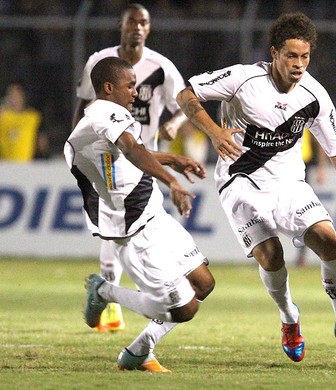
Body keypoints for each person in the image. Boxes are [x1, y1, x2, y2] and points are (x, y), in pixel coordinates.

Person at [176, 12, 336, 362]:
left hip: (289, 184)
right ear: (274, 53)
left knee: (330, 243)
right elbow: (186, 95)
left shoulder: (314, 95)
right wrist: (214, 131)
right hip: (240, 183)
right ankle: (289, 318)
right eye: (291, 55)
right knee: (272, 256)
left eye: (305, 57)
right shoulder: (243, 79)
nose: (299, 64)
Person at [65, 56, 214, 372]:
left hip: (153, 212)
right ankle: (103, 290)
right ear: (109, 88)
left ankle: (137, 353)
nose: (136, 92)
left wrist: (172, 160)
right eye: (130, 86)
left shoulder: (103, 118)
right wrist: (171, 180)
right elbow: (132, 148)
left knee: (202, 283)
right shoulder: (105, 115)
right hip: (133, 228)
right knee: (183, 308)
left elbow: (127, 153)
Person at [72, 3, 192, 332]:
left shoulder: (162, 68)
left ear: (149, 29)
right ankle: (117, 299)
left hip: (146, 156)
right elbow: (84, 105)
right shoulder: (100, 62)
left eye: (144, 22)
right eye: (132, 22)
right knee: (121, 228)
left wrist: (175, 126)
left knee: (138, 229)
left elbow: (185, 105)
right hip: (117, 158)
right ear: (121, 26)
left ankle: (126, 292)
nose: (137, 27)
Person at [296, 128, 329, 267]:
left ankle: (302, 256)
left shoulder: (303, 113)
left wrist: (322, 167)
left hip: (303, 168)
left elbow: (319, 139)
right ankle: (267, 252)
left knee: (304, 214)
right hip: (279, 168)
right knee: (272, 210)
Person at [0, 82, 43, 161]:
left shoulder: (32, 117)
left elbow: (41, 139)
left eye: (17, 95)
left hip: (25, 165)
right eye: (11, 95)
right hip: (5, 166)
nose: (14, 98)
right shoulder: (4, 117)